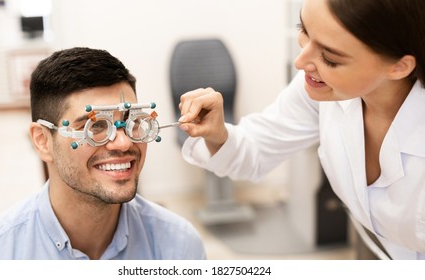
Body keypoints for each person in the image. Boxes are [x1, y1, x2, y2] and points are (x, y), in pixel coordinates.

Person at [177, 0, 425, 260]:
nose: (300, 61)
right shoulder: (325, 90)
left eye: (330, 58)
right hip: (380, 248)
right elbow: (256, 149)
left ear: (399, 66)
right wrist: (217, 134)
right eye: (304, 30)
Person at [0, 47, 206, 260]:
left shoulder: (178, 246)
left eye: (132, 121)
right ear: (42, 141)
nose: (122, 142)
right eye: (96, 126)